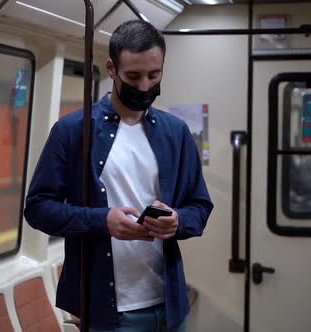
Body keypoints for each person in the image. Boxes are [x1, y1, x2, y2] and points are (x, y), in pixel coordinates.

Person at [24, 20, 213, 332]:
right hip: (108, 313)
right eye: (133, 76)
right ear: (111, 69)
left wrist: (178, 220)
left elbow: (200, 207)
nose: (144, 87)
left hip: (170, 307)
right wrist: (104, 221)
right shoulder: (72, 131)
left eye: (154, 76)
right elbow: (38, 208)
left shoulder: (176, 132)